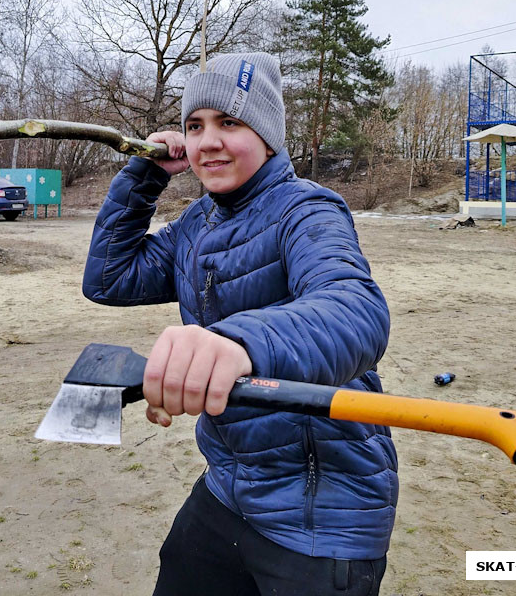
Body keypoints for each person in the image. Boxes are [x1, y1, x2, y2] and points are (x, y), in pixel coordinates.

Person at [83, 52, 397, 596]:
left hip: (320, 513)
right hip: (229, 487)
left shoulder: (308, 209)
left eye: (230, 122)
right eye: (195, 125)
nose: (208, 142)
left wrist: (235, 342)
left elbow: (356, 308)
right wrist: (146, 173)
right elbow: (109, 278)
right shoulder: (196, 224)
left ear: (269, 136)